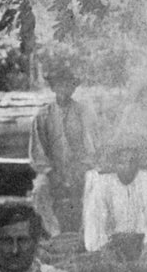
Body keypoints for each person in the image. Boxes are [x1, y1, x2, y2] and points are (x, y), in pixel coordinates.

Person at [30, 62, 100, 238]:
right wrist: (50, 172)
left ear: (74, 87)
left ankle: (87, 231)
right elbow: (37, 152)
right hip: (54, 170)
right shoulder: (42, 115)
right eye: (60, 84)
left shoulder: (85, 112)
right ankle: (55, 233)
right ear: (53, 87)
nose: (65, 88)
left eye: (69, 84)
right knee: (39, 189)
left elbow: (92, 147)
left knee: (95, 183)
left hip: (80, 169)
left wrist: (82, 167)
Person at [82, 137, 147, 262]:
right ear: (114, 163)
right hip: (112, 247)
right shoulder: (102, 184)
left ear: (139, 162)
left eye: (132, 161)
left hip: (144, 245)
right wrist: (102, 248)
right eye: (121, 162)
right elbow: (95, 222)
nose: (127, 167)